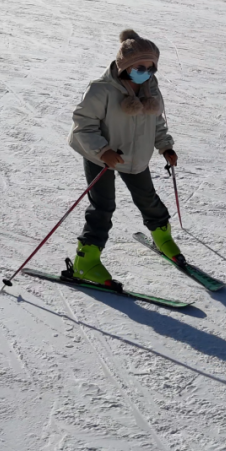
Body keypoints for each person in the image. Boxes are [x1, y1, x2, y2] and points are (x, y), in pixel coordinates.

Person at [67, 29, 182, 285]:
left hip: (137, 157)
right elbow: (83, 125)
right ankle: (86, 261)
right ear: (124, 66)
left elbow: (157, 122)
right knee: (103, 206)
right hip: (102, 157)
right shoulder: (101, 90)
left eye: (151, 68)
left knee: (147, 198)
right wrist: (102, 151)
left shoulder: (150, 89)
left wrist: (165, 147)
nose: (145, 72)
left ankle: (163, 236)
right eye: (139, 67)